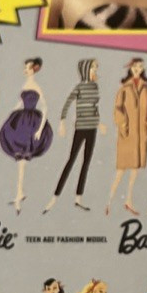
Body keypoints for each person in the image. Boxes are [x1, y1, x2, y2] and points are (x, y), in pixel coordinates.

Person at [45, 59, 106, 214]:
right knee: (71, 160)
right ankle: (55, 197)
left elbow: (95, 108)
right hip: (80, 128)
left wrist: (99, 123)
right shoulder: (79, 87)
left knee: (86, 162)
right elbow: (67, 103)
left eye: (96, 68)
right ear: (85, 70)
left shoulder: (95, 87)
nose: (95, 71)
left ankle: (78, 198)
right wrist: (62, 122)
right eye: (93, 68)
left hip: (92, 128)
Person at [0, 58, 54, 212]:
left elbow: (45, 107)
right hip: (21, 120)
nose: (25, 70)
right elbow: (20, 103)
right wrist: (11, 112)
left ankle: (19, 193)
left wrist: (40, 129)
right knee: (20, 160)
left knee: (22, 160)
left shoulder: (36, 86)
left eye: (28, 68)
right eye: (25, 68)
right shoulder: (25, 84)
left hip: (31, 123)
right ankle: (19, 192)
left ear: (33, 69)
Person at [107, 58, 147, 216]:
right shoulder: (124, 88)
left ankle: (128, 200)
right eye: (135, 66)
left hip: (141, 135)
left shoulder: (145, 88)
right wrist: (123, 126)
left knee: (135, 169)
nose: (137, 69)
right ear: (130, 68)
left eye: (140, 66)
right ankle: (109, 201)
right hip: (127, 135)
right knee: (121, 170)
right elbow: (117, 109)